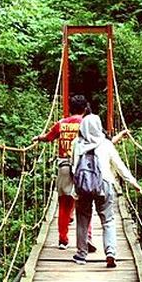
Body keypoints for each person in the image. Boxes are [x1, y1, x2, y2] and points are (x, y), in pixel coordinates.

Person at [70, 113, 142, 267]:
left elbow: (74, 167)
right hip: (105, 184)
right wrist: (133, 182)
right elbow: (119, 165)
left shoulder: (76, 143)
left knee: (82, 220)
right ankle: (110, 252)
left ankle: (81, 255)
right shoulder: (106, 143)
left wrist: (74, 190)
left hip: (84, 186)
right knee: (108, 220)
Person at [33, 94, 94, 251]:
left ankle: (62, 239)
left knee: (64, 204)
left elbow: (48, 137)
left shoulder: (61, 123)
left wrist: (38, 138)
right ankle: (87, 237)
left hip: (65, 166)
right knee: (85, 204)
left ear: (70, 108)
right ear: (85, 109)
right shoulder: (87, 124)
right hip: (83, 168)